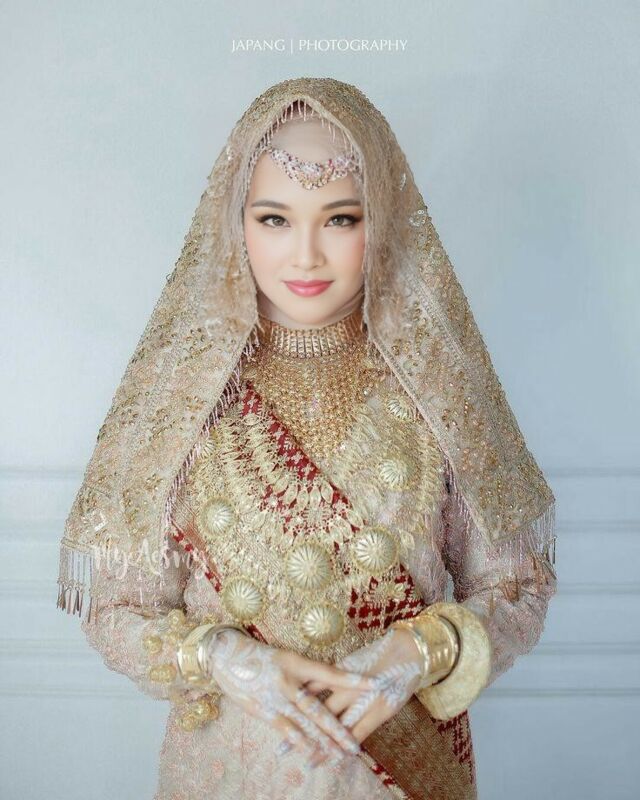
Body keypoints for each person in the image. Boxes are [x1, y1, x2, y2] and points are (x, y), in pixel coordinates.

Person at [57, 77, 558, 800]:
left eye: (340, 219)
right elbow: (115, 610)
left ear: (382, 221)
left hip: (402, 770)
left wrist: (418, 652)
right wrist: (224, 659)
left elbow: (516, 588)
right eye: (274, 219)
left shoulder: (438, 388)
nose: (306, 256)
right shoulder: (183, 397)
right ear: (235, 223)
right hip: (231, 767)